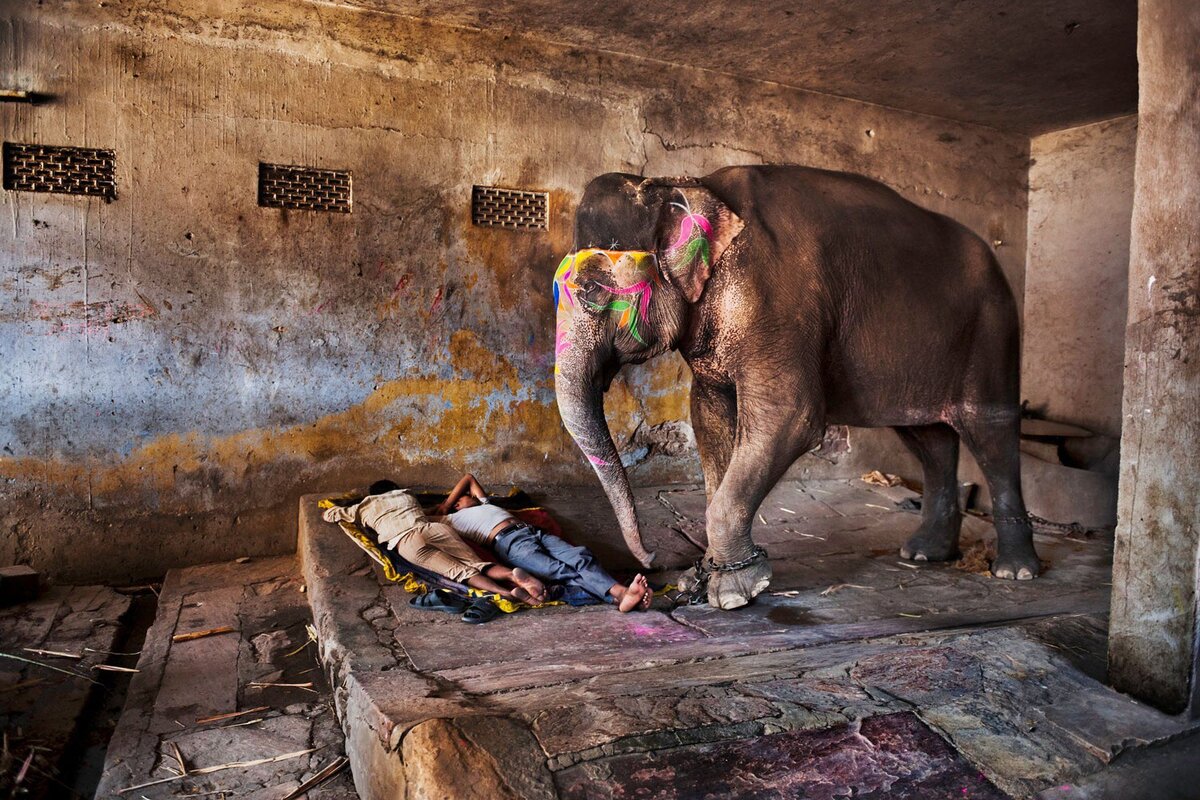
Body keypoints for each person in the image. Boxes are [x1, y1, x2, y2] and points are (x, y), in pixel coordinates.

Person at [433, 474, 652, 612]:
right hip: (510, 544)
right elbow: (422, 517)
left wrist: (450, 501)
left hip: (534, 533)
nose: (465, 496)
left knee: (580, 556)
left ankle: (621, 594)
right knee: (559, 570)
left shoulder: (483, 503)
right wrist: (444, 508)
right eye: (460, 499)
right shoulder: (451, 519)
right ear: (456, 508)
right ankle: (619, 596)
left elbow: (468, 478)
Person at [322, 480, 545, 607]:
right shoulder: (406, 495)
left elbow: (331, 513)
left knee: (460, 572)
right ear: (393, 488)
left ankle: (505, 594)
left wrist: (341, 511)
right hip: (433, 528)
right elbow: (427, 511)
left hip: (406, 541)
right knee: (478, 563)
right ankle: (513, 576)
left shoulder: (362, 506)